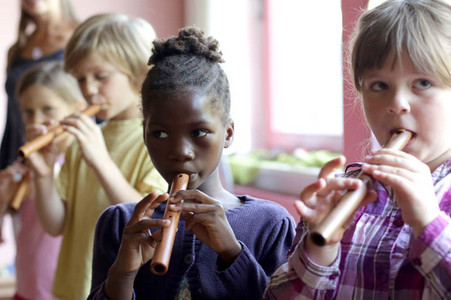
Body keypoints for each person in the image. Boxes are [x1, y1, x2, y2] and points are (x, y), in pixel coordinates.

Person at [87, 26, 296, 300]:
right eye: (160, 134)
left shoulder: (271, 223)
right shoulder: (119, 223)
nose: (180, 151)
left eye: (198, 132)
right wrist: (122, 275)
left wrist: (232, 253)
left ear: (228, 133)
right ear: (144, 135)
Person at [263, 0, 451, 299]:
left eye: (423, 83)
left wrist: (429, 223)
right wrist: (319, 248)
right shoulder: (346, 192)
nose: (396, 103)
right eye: (379, 86)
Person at [28, 14, 168, 300]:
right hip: (73, 289)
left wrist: (101, 161)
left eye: (100, 76)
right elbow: (55, 225)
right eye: (80, 78)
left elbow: (142, 218)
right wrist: (43, 175)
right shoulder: (84, 140)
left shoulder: (157, 139)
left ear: (138, 73)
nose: (88, 89)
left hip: (120, 291)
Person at [0, 61, 85, 300]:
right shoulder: (23, 164)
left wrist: (46, 183)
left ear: (76, 109)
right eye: (28, 112)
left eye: (48, 109)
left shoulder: (84, 163)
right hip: (27, 286)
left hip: (67, 291)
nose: (36, 121)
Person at [1, 0, 78, 171]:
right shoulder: (17, 49)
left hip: (60, 160)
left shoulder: (78, 41)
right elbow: (12, 116)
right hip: (18, 156)